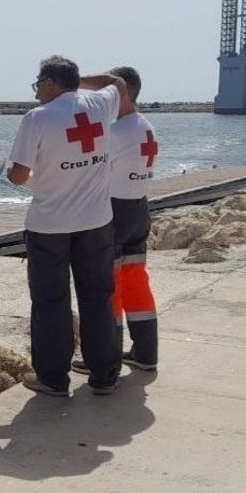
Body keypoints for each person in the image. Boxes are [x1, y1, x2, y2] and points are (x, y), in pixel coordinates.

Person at [7, 55, 130, 397]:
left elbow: (18, 174)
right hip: (96, 222)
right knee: (97, 296)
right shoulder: (101, 104)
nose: (35, 95)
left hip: (50, 225)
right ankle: (104, 374)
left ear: (49, 83)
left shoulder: (38, 117)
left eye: (37, 86)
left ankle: (53, 378)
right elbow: (118, 82)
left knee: (50, 301)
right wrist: (77, 81)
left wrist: (34, 176)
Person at [74, 66, 158, 373]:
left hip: (114, 212)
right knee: (135, 283)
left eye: (106, 94)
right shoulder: (145, 125)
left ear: (121, 94)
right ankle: (146, 352)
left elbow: (87, 168)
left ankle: (104, 358)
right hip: (138, 208)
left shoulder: (118, 132)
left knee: (105, 285)